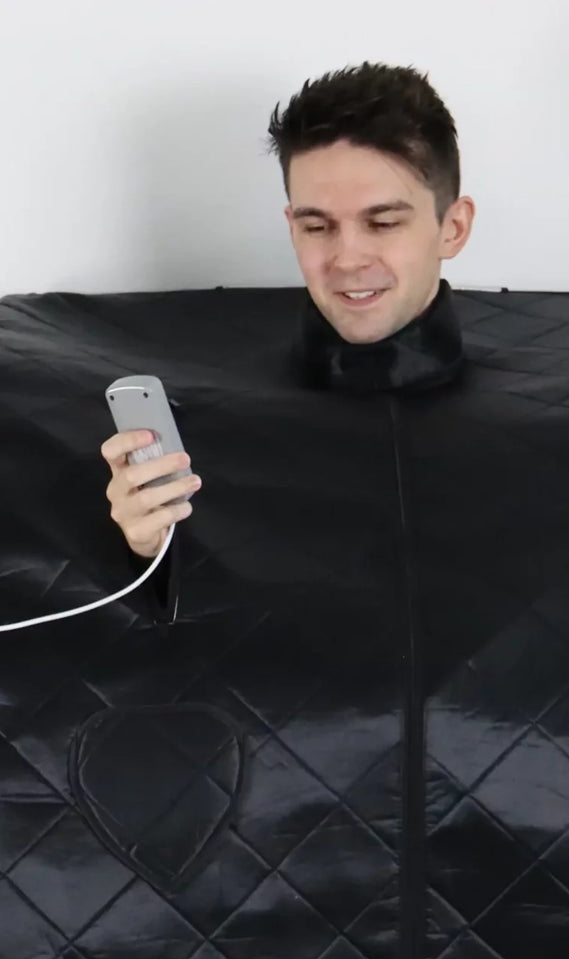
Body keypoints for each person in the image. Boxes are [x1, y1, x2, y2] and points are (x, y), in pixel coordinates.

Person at [98, 61, 479, 582]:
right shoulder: (205, 432)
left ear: (452, 228)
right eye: (317, 225)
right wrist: (149, 554)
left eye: (383, 223)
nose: (347, 259)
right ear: (291, 226)